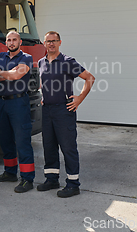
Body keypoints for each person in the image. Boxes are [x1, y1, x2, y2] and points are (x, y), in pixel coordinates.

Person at [38, 31, 95, 198]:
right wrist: (44, 96)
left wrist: (79, 98)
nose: (51, 44)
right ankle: (52, 179)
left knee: (68, 147)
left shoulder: (68, 61)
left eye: (54, 41)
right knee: (49, 146)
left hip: (64, 110)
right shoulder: (41, 62)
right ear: (44, 43)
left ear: (60, 42)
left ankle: (73, 184)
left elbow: (89, 78)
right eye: (48, 41)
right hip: (47, 110)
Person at [0, 31, 35, 193]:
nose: (11, 42)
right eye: (9, 40)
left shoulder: (26, 58)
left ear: (20, 41)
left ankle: (27, 178)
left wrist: (3, 74)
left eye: (14, 40)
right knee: (5, 140)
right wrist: (7, 74)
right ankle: (10, 172)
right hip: (2, 102)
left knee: (22, 140)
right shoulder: (0, 57)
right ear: (6, 42)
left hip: (18, 102)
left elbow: (17, 74)